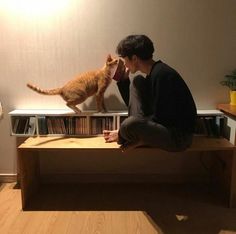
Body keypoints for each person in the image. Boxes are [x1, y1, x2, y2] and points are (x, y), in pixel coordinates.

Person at [103, 34, 197, 152]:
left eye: (125, 59)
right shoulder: (153, 74)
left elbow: (162, 118)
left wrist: (123, 132)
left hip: (178, 137)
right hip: (162, 129)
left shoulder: (162, 75)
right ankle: (132, 136)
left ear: (135, 59)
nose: (125, 64)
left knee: (128, 124)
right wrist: (124, 81)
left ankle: (130, 137)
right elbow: (136, 107)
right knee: (137, 81)